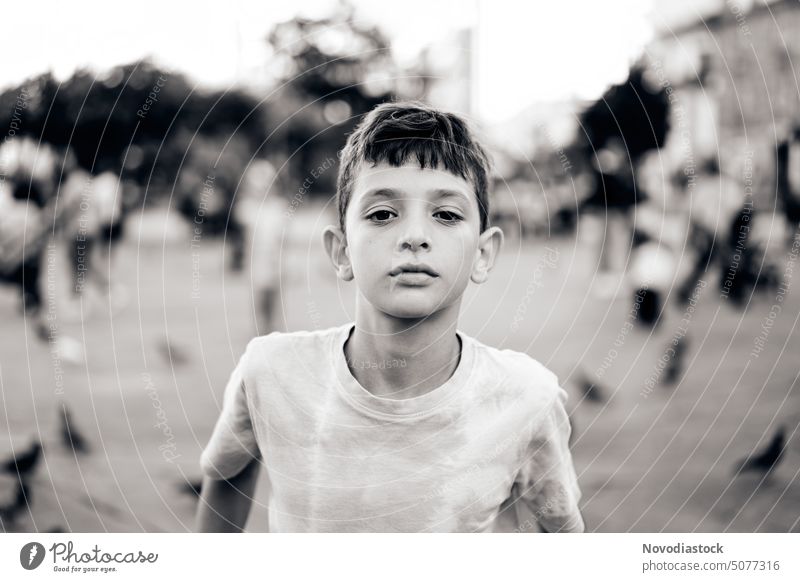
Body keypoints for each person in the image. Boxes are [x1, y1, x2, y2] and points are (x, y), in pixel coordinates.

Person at [195, 102, 584, 533]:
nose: (414, 237)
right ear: (341, 252)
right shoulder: (271, 372)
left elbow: (560, 535)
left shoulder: (525, 397)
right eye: (382, 214)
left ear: (483, 253)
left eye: (446, 215)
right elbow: (226, 482)